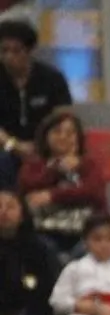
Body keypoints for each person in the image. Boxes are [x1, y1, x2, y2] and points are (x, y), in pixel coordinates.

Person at [19, 108, 105, 259]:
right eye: (57, 132)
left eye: (70, 133)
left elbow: (94, 192)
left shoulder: (89, 165)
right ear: (46, 136)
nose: (63, 137)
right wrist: (57, 170)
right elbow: (28, 188)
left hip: (83, 233)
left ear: (78, 138)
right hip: (43, 232)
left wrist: (53, 195)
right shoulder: (34, 164)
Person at [0, 21, 71, 192]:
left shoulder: (52, 79)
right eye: (4, 51)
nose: (9, 57)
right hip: (6, 147)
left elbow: (63, 119)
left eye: (16, 51)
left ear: (30, 51)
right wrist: (14, 145)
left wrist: (45, 146)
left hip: (45, 147)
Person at [0, 187, 52, 315]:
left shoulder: (38, 247)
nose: (3, 212)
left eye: (10, 206)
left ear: (22, 214)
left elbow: (44, 291)